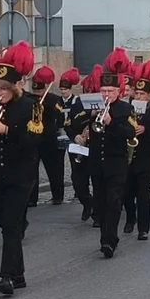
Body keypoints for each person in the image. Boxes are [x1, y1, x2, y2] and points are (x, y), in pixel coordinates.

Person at [0, 42, 42, 295]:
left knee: (11, 224)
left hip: (21, 174)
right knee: (7, 224)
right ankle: (19, 274)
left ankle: (6, 276)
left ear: (16, 87)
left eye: (4, 89)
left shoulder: (31, 107)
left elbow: (36, 140)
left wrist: (5, 130)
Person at [87, 50, 136, 258]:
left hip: (116, 163)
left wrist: (111, 123)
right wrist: (89, 117)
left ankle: (110, 240)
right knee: (100, 202)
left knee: (113, 202)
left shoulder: (125, 109)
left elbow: (130, 132)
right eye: (103, 90)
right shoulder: (94, 106)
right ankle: (104, 237)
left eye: (110, 91)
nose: (106, 94)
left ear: (118, 91)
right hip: (98, 162)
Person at [122, 60, 150, 241]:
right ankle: (130, 218)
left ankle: (143, 228)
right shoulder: (126, 110)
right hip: (128, 158)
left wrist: (146, 130)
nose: (139, 96)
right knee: (127, 192)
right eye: (136, 93)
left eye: (142, 94)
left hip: (146, 158)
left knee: (143, 194)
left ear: (148, 95)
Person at [65, 66, 101, 223]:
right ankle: (88, 203)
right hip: (80, 147)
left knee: (99, 183)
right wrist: (76, 136)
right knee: (78, 182)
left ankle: (98, 215)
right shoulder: (78, 103)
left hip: (97, 148)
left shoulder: (104, 104)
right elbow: (68, 124)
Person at [28, 66, 66, 206]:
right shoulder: (29, 98)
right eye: (35, 91)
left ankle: (58, 195)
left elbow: (60, 116)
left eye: (40, 91)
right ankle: (32, 198)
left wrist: (46, 107)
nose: (38, 94)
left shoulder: (54, 99)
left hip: (49, 138)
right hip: (33, 138)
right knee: (32, 170)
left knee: (54, 169)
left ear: (45, 88)